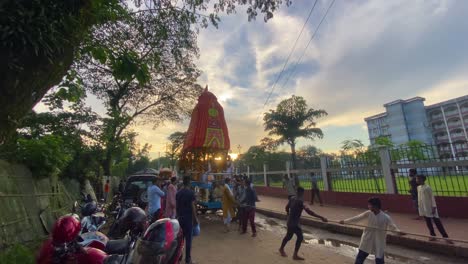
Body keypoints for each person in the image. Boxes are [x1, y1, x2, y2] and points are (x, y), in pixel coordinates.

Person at [339, 197, 404, 264]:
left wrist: (399, 232)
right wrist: (345, 221)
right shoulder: (368, 214)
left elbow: (393, 228)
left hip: (379, 242)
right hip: (367, 240)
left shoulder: (386, 217)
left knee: (379, 261)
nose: (368, 206)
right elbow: (357, 218)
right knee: (359, 259)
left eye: (370, 205)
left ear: (375, 206)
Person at [279, 187, 328, 260]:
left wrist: (288, 213)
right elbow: (310, 212)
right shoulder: (301, 202)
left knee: (289, 236)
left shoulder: (292, 198)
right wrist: (321, 217)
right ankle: (294, 255)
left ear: (297, 192)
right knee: (299, 237)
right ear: (302, 193)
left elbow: (286, 207)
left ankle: (282, 249)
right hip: (294, 224)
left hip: (290, 222)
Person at [416, 175, 452, 243]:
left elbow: (432, 198)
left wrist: (434, 207)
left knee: (437, 222)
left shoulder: (428, 188)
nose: (416, 180)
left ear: (422, 179)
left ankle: (445, 236)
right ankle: (432, 235)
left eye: (418, 179)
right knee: (428, 222)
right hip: (423, 208)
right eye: (416, 179)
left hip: (430, 208)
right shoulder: (418, 187)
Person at [176, 176, 199, 264]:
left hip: (180, 218)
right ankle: (188, 260)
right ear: (189, 182)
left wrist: (177, 216)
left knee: (180, 240)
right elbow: (193, 207)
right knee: (188, 240)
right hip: (188, 219)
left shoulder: (178, 193)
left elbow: (177, 207)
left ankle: (178, 257)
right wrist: (195, 219)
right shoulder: (191, 193)